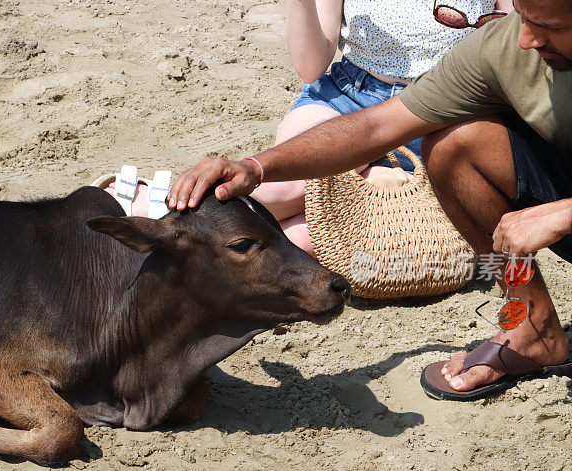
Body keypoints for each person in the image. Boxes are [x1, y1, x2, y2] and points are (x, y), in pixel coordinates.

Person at [167, 0, 572, 400]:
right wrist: (256, 167)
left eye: (548, 25)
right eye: (523, 16)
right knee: (454, 144)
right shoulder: (503, 45)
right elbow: (378, 126)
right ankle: (532, 330)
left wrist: (563, 213)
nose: (525, 38)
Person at [253, 0, 512, 254]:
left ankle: (374, 181)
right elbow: (310, 68)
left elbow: (520, 45)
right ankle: (377, 180)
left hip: (444, 115)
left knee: (301, 241)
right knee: (280, 190)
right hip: (349, 96)